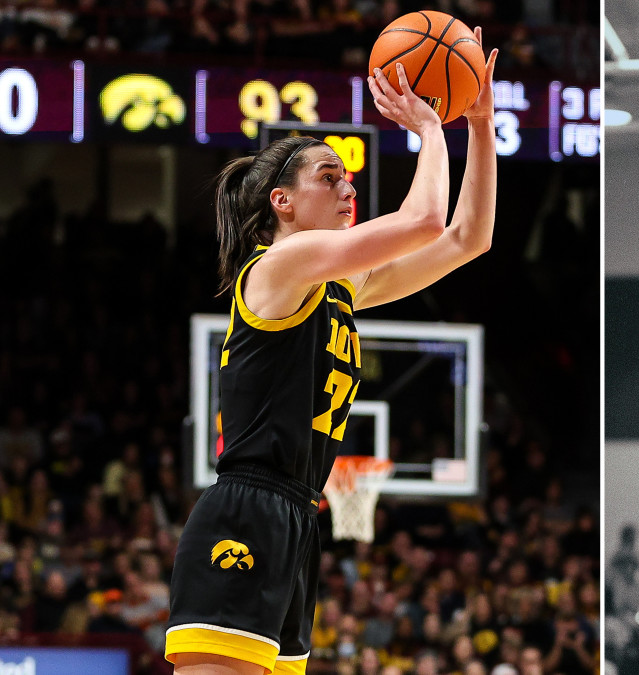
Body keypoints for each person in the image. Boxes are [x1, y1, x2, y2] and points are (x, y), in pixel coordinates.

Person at [163, 32, 499, 675]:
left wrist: (478, 126)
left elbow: (467, 237)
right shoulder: (280, 265)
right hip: (246, 508)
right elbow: (425, 220)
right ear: (281, 203)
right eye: (330, 177)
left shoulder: (338, 285)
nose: (348, 190)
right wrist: (431, 131)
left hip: (298, 513)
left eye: (347, 178)